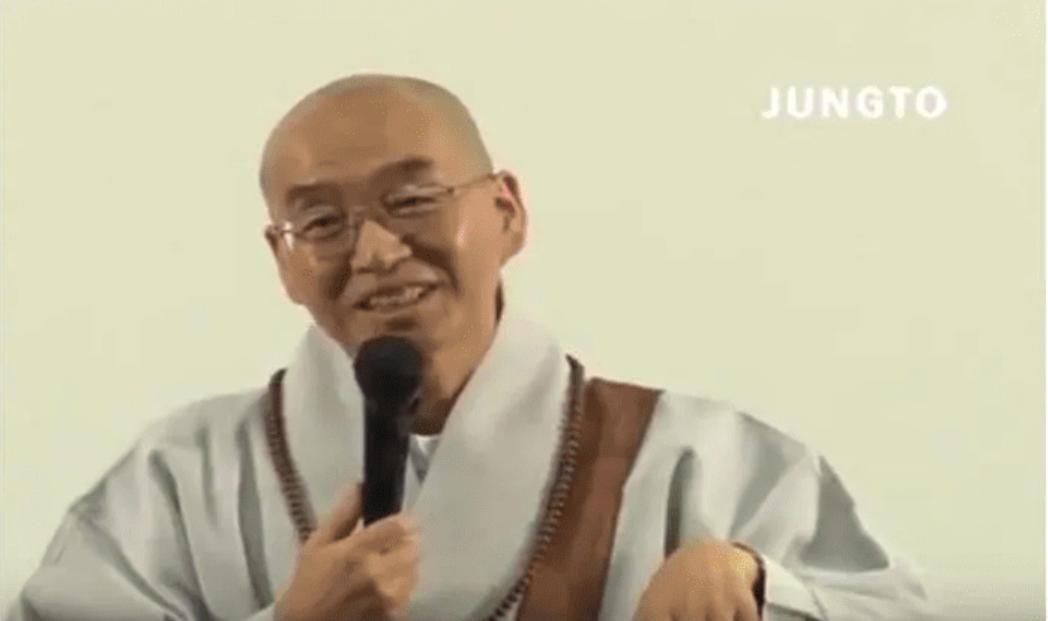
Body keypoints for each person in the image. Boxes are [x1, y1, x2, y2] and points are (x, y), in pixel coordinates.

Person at [6, 75, 937, 621]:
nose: (375, 251)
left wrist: (759, 590)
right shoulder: (181, 479)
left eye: (412, 200)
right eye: (321, 221)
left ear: (507, 212)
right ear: (282, 261)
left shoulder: (698, 461)